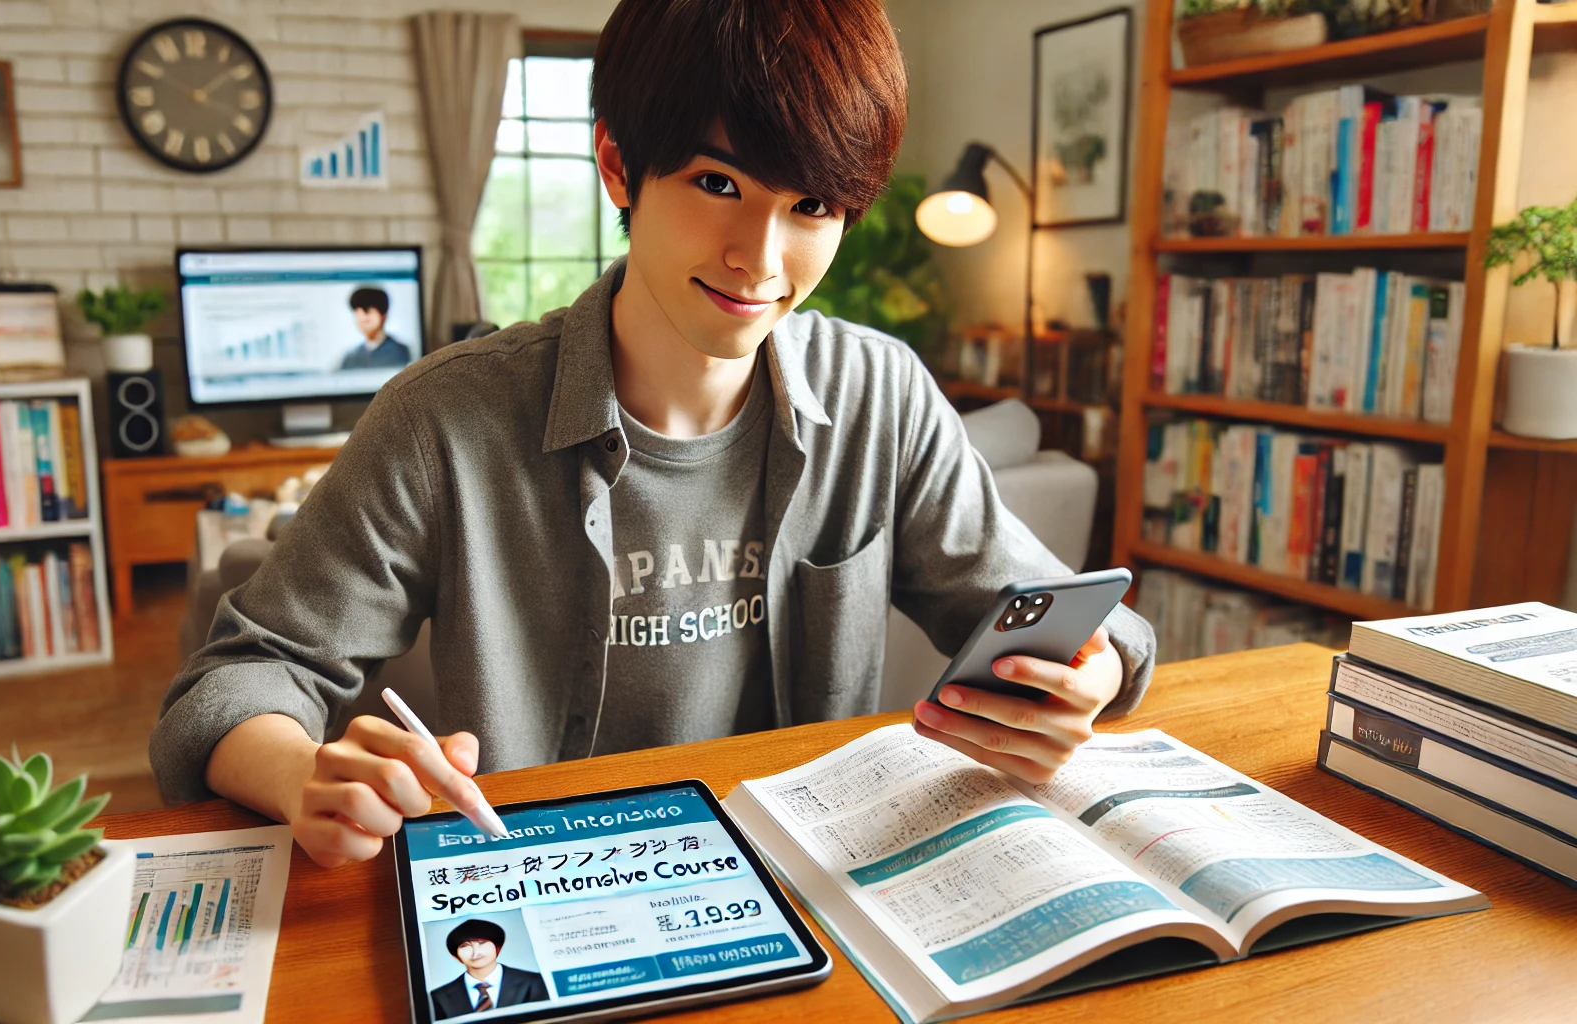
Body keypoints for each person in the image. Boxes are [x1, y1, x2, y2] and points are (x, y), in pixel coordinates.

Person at [151, 0, 1156, 870]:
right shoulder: (445, 418)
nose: (760, 259)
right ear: (617, 165)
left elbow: (1058, 615)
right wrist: (302, 775)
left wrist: (1086, 676)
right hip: (545, 889)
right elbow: (235, 678)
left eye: (809, 205)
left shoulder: (878, 393)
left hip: (808, 891)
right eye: (718, 184)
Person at [429, 919, 549, 1019]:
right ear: (455, 955)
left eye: (482, 943)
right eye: (465, 946)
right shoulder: (439, 996)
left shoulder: (534, 982)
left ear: (497, 947)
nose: (476, 953)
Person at [341, 286, 410, 369]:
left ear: (384, 314)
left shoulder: (400, 352)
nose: (363, 317)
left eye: (368, 311)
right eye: (358, 312)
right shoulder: (351, 357)